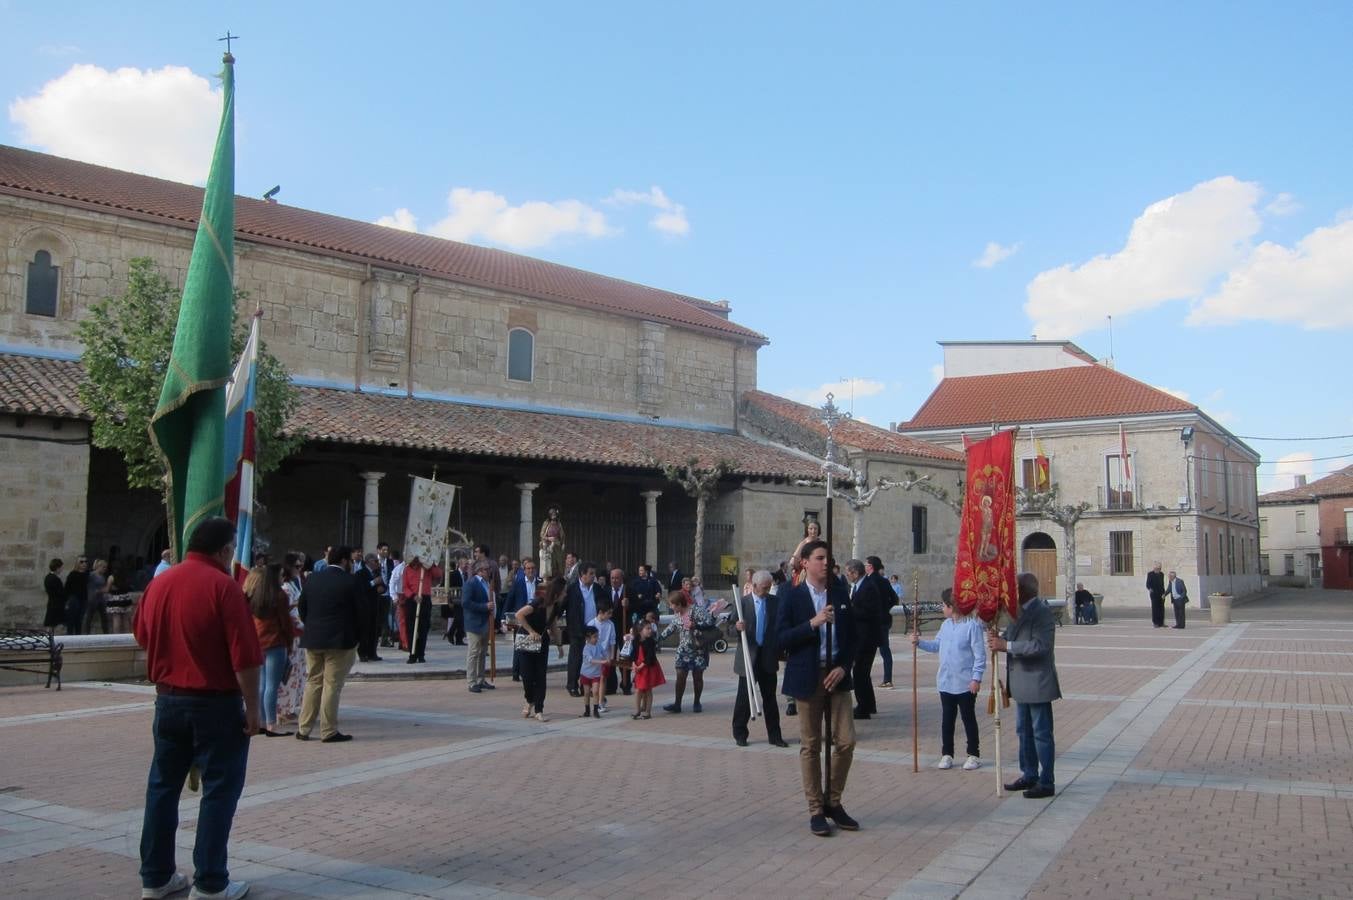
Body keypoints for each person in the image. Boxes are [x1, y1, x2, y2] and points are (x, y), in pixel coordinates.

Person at [134, 516, 261, 900]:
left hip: (168, 699)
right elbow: (245, 658)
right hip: (215, 703)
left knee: (162, 788)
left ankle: (155, 877)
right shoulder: (224, 587)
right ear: (224, 551)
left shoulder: (159, 584)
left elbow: (142, 635)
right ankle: (210, 882)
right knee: (219, 791)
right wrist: (253, 709)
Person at [777, 539, 859, 836]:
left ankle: (832, 801)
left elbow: (853, 638)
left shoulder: (841, 593)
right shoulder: (792, 594)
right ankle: (815, 809)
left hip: (836, 675)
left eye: (828, 558)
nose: (826, 563)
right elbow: (781, 637)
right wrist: (813, 622)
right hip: (807, 674)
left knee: (846, 741)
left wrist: (843, 666)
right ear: (806, 563)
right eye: (820, 558)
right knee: (811, 745)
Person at [988, 572, 1061, 799]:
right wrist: (996, 635)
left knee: (1041, 733)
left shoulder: (1041, 613)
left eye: (1014, 588)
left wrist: (1006, 645)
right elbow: (1009, 636)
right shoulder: (1018, 612)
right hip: (1020, 683)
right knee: (1024, 732)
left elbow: (1040, 646)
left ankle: (1046, 781)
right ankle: (1029, 773)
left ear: (1023, 591)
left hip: (1037, 682)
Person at [913, 588, 985, 771]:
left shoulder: (972, 626)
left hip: (965, 682)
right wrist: (919, 643)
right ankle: (947, 753)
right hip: (946, 681)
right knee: (947, 719)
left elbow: (979, 655)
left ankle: (973, 754)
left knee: (968, 718)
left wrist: (976, 678)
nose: (941, 608)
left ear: (952, 607)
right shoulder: (945, 625)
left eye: (944, 605)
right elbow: (937, 645)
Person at [297, 547, 360, 743]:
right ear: (344, 561)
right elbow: (361, 612)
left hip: (314, 638)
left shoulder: (313, 579)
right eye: (351, 560)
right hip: (340, 641)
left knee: (313, 681)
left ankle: (304, 728)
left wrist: (312, 626)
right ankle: (328, 729)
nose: (352, 563)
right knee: (332, 685)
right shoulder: (350, 581)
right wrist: (358, 636)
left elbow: (302, 607)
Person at [732, 570, 787, 748]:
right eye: (764, 588)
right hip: (749, 656)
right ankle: (740, 733)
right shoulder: (742, 603)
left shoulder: (775, 602)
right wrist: (737, 628)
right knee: (744, 698)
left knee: (769, 698)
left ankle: (775, 735)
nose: (767, 590)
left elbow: (780, 627)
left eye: (769, 587)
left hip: (768, 656)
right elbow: (729, 631)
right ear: (754, 586)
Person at [246, 563, 294, 738]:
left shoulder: (255, 596)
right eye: (281, 575)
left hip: (259, 642)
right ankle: (271, 724)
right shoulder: (279, 596)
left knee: (262, 684)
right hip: (275, 642)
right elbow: (285, 623)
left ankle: (262, 721)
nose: (283, 578)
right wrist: (289, 643)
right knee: (272, 685)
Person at [660, 590, 717, 713]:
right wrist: (658, 638)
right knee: (680, 675)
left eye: (672, 605)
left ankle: (697, 702)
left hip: (698, 649)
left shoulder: (696, 611)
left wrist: (695, 625)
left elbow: (710, 622)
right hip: (683, 650)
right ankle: (677, 704)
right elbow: (671, 627)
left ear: (679, 604)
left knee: (697, 676)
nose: (671, 607)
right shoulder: (678, 615)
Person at [516, 575, 563, 722]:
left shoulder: (556, 606)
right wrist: (531, 631)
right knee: (527, 675)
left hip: (542, 642)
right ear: (557, 592)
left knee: (540, 676)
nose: (565, 594)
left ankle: (539, 709)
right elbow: (519, 614)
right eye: (564, 591)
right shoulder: (538, 602)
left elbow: (554, 625)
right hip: (527, 641)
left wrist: (559, 645)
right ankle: (529, 699)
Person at [843, 559, 886, 720]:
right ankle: (869, 704)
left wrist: (849, 610)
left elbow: (869, 612)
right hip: (863, 636)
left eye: (849, 573)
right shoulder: (861, 585)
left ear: (855, 572)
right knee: (863, 673)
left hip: (866, 637)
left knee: (860, 672)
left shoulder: (868, 587)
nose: (848, 576)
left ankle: (863, 708)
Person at [565, 562, 601, 696]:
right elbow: (562, 606)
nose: (593, 576)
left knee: (591, 658)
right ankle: (572, 685)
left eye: (594, 574)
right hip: (577, 628)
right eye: (590, 574)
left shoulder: (597, 588)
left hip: (592, 630)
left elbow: (604, 602)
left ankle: (586, 686)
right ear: (582, 574)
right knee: (576, 657)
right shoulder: (572, 589)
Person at [400, 554, 442, 662]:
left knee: (423, 628)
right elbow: (405, 587)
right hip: (412, 600)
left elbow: (438, 574)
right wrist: (413, 596)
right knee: (411, 629)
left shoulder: (426, 568)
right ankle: (412, 654)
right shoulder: (406, 570)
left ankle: (421, 654)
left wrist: (431, 564)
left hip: (425, 599)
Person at [463, 558, 496, 692]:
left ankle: (481, 679)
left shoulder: (487, 583)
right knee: (474, 652)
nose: (490, 572)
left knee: (483, 652)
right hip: (474, 623)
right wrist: (484, 606)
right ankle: (471, 681)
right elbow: (465, 603)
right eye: (488, 570)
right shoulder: (471, 583)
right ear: (480, 571)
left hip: (485, 622)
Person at [868, 558, 896, 689]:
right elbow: (894, 599)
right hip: (885, 619)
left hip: (873, 621)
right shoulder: (884, 581)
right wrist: (885, 608)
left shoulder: (868, 581)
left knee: (868, 651)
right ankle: (887, 678)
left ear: (871, 567)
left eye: (866, 564)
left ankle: (866, 678)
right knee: (885, 651)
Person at [353, 553, 384, 663]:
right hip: (364, 606)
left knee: (374, 631)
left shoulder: (376, 573)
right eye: (375, 561)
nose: (377, 563)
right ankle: (363, 653)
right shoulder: (360, 573)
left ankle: (372, 653)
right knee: (364, 631)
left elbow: (382, 585)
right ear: (368, 562)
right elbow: (360, 588)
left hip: (375, 605)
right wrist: (373, 582)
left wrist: (382, 588)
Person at [630, 620, 664, 719]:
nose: (650, 630)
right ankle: (637, 710)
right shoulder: (635, 640)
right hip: (639, 668)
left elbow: (650, 656)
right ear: (640, 630)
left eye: (651, 628)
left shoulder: (651, 641)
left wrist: (640, 666)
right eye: (647, 628)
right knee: (638, 690)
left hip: (648, 667)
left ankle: (648, 712)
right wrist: (633, 664)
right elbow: (633, 654)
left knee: (648, 689)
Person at [589, 598, 616, 712]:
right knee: (595, 679)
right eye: (608, 613)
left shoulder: (610, 625)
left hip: (605, 656)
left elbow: (612, 642)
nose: (610, 615)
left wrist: (612, 656)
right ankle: (598, 698)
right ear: (600, 612)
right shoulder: (591, 624)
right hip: (594, 657)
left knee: (603, 678)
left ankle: (600, 702)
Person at [579, 626, 608, 717]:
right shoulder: (586, 648)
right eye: (594, 637)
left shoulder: (599, 645)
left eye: (597, 636)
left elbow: (604, 653)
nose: (597, 638)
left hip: (596, 673)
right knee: (587, 693)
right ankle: (587, 710)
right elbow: (591, 660)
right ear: (587, 638)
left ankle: (596, 710)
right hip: (586, 674)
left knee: (595, 691)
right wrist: (602, 661)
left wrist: (608, 658)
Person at [43, 558, 65, 629]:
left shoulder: (48, 577)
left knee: (51, 624)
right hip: (56, 604)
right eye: (61, 568)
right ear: (57, 568)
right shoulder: (55, 579)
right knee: (54, 624)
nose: (62, 569)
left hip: (52, 603)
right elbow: (60, 592)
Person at [1145, 563, 1166, 628]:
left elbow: (1162, 584)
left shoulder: (1161, 574)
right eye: (1157, 568)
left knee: (1161, 609)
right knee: (1155, 609)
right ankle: (1155, 623)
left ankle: (1161, 623)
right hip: (1154, 594)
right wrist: (1150, 589)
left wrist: (1164, 593)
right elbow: (1148, 584)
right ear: (1154, 568)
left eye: (1159, 568)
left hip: (1161, 594)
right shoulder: (1150, 574)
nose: (1158, 570)